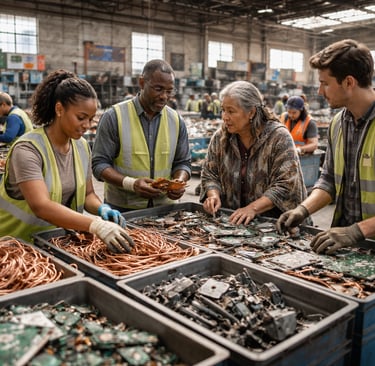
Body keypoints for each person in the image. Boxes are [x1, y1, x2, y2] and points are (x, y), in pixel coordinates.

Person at [0, 69, 133, 253]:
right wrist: (95, 225)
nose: (87, 126)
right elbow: (41, 206)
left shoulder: (82, 147)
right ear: (59, 109)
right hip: (16, 248)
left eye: (91, 119)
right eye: (81, 118)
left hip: (56, 246)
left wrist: (101, 209)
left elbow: (87, 195)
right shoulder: (28, 149)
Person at [276, 39, 375, 254]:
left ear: (349, 82)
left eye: (325, 83)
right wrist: (302, 210)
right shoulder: (338, 124)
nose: (320, 91)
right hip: (345, 246)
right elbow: (329, 179)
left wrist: (357, 231)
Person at [200, 80, 307, 225]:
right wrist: (213, 194)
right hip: (235, 221)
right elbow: (209, 173)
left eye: (231, 111)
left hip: (275, 223)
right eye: (223, 110)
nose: (225, 116)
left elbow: (286, 184)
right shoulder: (221, 137)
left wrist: (252, 209)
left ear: (251, 112)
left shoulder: (278, 137)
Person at [92, 59, 191, 211]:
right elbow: (99, 164)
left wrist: (179, 181)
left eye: (169, 91)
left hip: (165, 210)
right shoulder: (114, 117)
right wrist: (131, 184)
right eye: (158, 89)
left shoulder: (176, 121)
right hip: (123, 208)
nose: (164, 96)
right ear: (142, 83)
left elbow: (183, 162)